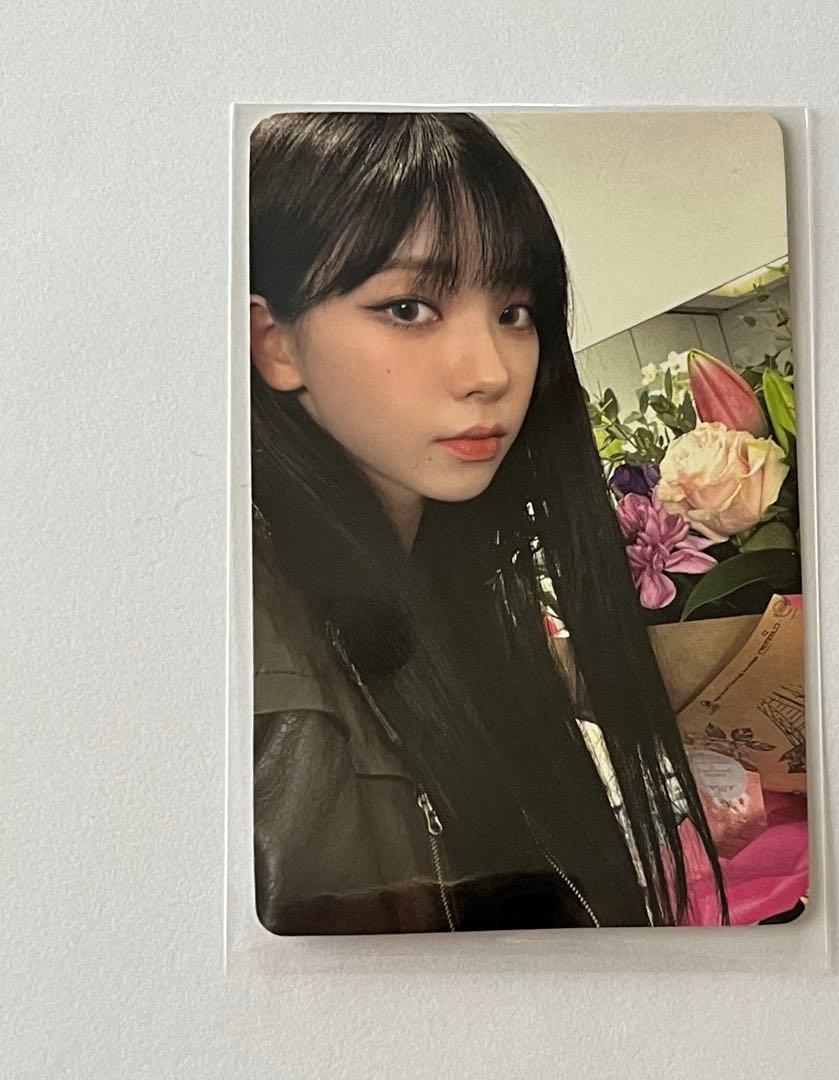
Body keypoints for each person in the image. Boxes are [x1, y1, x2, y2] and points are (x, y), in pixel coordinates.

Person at [248, 111, 728, 934]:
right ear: (276, 344)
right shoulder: (258, 653)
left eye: (515, 311)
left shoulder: (447, 596)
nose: (491, 372)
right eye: (408, 308)